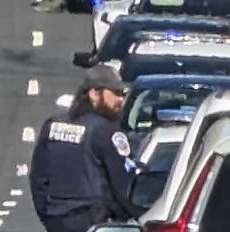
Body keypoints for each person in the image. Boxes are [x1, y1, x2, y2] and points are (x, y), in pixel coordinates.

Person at [29, 65, 145, 231]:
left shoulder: (53, 125)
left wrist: (47, 216)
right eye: (115, 93)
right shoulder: (106, 131)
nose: (121, 100)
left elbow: (38, 179)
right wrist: (134, 217)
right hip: (93, 221)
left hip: (56, 220)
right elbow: (122, 184)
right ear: (94, 94)